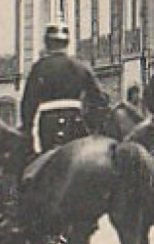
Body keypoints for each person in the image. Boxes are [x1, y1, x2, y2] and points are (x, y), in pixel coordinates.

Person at [19, 21, 107, 154]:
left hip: (48, 124)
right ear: (67, 43)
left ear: (47, 44)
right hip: (76, 122)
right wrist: (94, 127)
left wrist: (27, 131)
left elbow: (28, 104)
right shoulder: (81, 66)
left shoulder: (39, 68)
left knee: (41, 164)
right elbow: (100, 100)